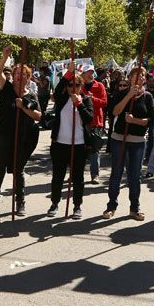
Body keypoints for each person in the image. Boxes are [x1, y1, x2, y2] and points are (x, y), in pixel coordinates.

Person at [0, 46, 41, 216]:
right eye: (17, 74)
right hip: (3, 136)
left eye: (23, 74)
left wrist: (23, 107)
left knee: (19, 171)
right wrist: (5, 56)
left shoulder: (31, 95)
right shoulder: (7, 88)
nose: (19, 77)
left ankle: (20, 202)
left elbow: (38, 116)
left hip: (22, 139)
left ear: (28, 78)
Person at [103, 67, 153, 221]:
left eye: (142, 75)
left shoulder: (148, 97)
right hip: (119, 139)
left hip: (137, 142)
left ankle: (134, 208)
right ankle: (111, 206)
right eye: (136, 75)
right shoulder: (122, 93)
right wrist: (128, 96)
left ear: (145, 79)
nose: (139, 78)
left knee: (134, 176)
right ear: (130, 78)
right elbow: (115, 112)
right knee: (116, 173)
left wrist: (134, 121)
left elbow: (150, 121)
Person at [47, 62, 94, 219]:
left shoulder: (86, 99)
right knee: (58, 176)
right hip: (60, 144)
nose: (73, 87)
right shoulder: (61, 99)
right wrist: (69, 72)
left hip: (79, 145)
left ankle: (77, 206)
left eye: (77, 85)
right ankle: (54, 203)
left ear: (81, 86)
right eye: (70, 85)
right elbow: (58, 87)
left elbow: (89, 119)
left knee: (78, 178)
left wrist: (79, 104)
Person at [79, 66, 107, 184]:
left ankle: (94, 175)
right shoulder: (78, 86)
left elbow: (104, 102)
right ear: (83, 74)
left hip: (96, 122)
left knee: (95, 150)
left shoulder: (99, 85)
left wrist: (92, 99)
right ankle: (76, 174)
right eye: (88, 73)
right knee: (79, 150)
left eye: (92, 73)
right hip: (81, 122)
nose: (90, 75)